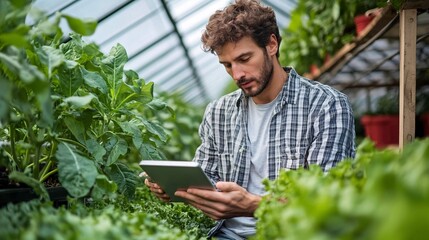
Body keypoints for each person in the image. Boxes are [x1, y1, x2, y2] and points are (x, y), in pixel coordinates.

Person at [144, 0, 356, 239]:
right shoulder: (218, 112)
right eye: (227, 65)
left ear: (272, 44)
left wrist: (252, 205)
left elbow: (329, 202)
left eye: (244, 59)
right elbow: (207, 177)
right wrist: (175, 188)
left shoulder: (326, 105)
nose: (237, 74)